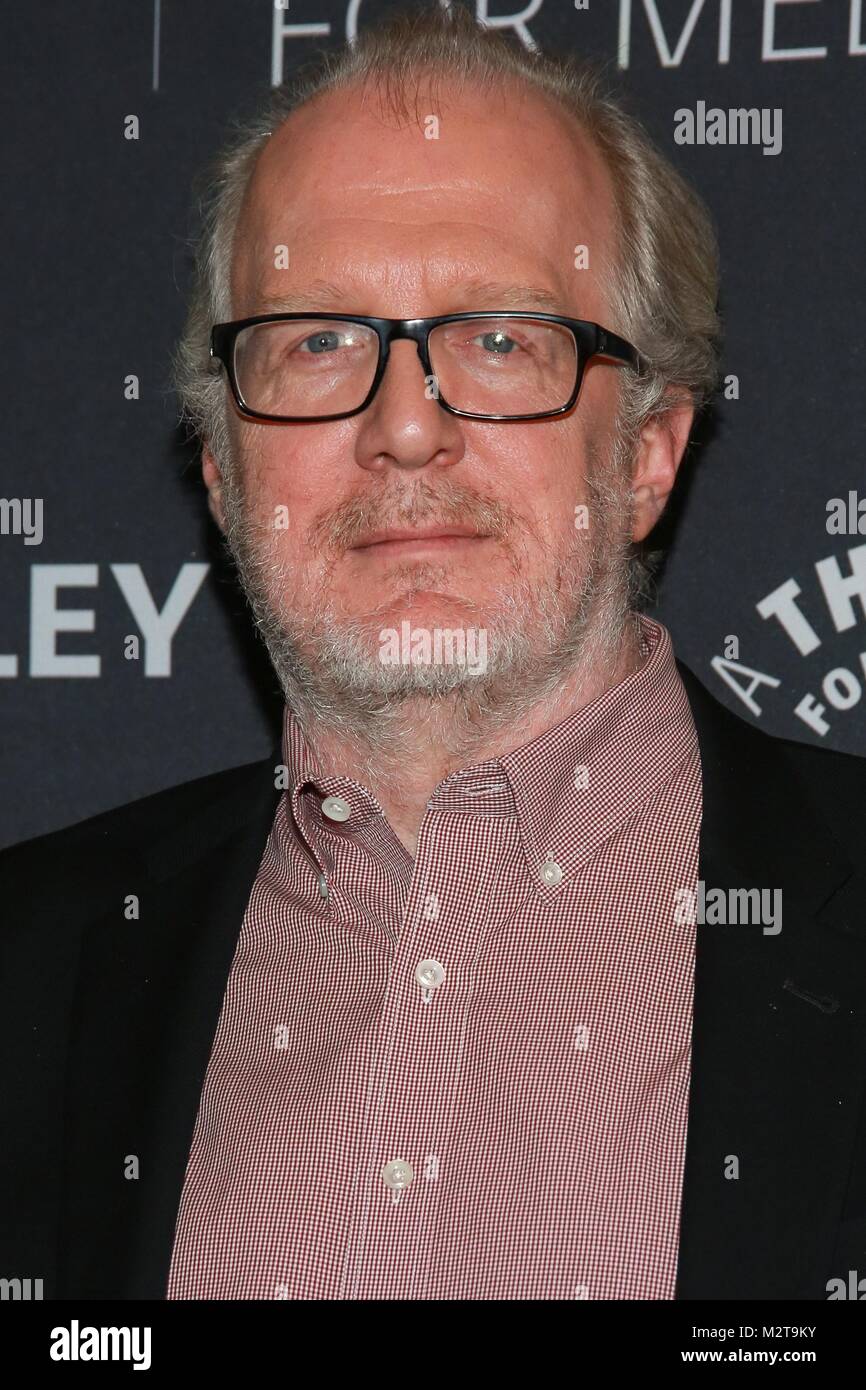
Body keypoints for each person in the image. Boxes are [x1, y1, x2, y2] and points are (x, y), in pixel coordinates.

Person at [2, 2, 865, 1302]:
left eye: (502, 341)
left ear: (645, 450)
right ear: (225, 472)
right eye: (317, 343)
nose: (406, 429)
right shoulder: (29, 973)